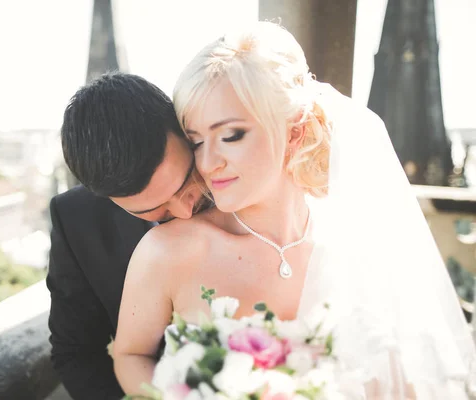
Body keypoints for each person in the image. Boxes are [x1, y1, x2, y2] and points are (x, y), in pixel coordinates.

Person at [113, 21, 476, 398]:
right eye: (197, 141)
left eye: (231, 135)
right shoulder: (167, 251)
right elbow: (130, 354)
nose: (208, 163)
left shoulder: (357, 241)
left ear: (296, 131)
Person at [47, 72, 209, 399]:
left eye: (185, 182)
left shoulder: (234, 169)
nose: (185, 212)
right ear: (103, 197)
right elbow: (77, 352)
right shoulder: (78, 219)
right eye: (155, 209)